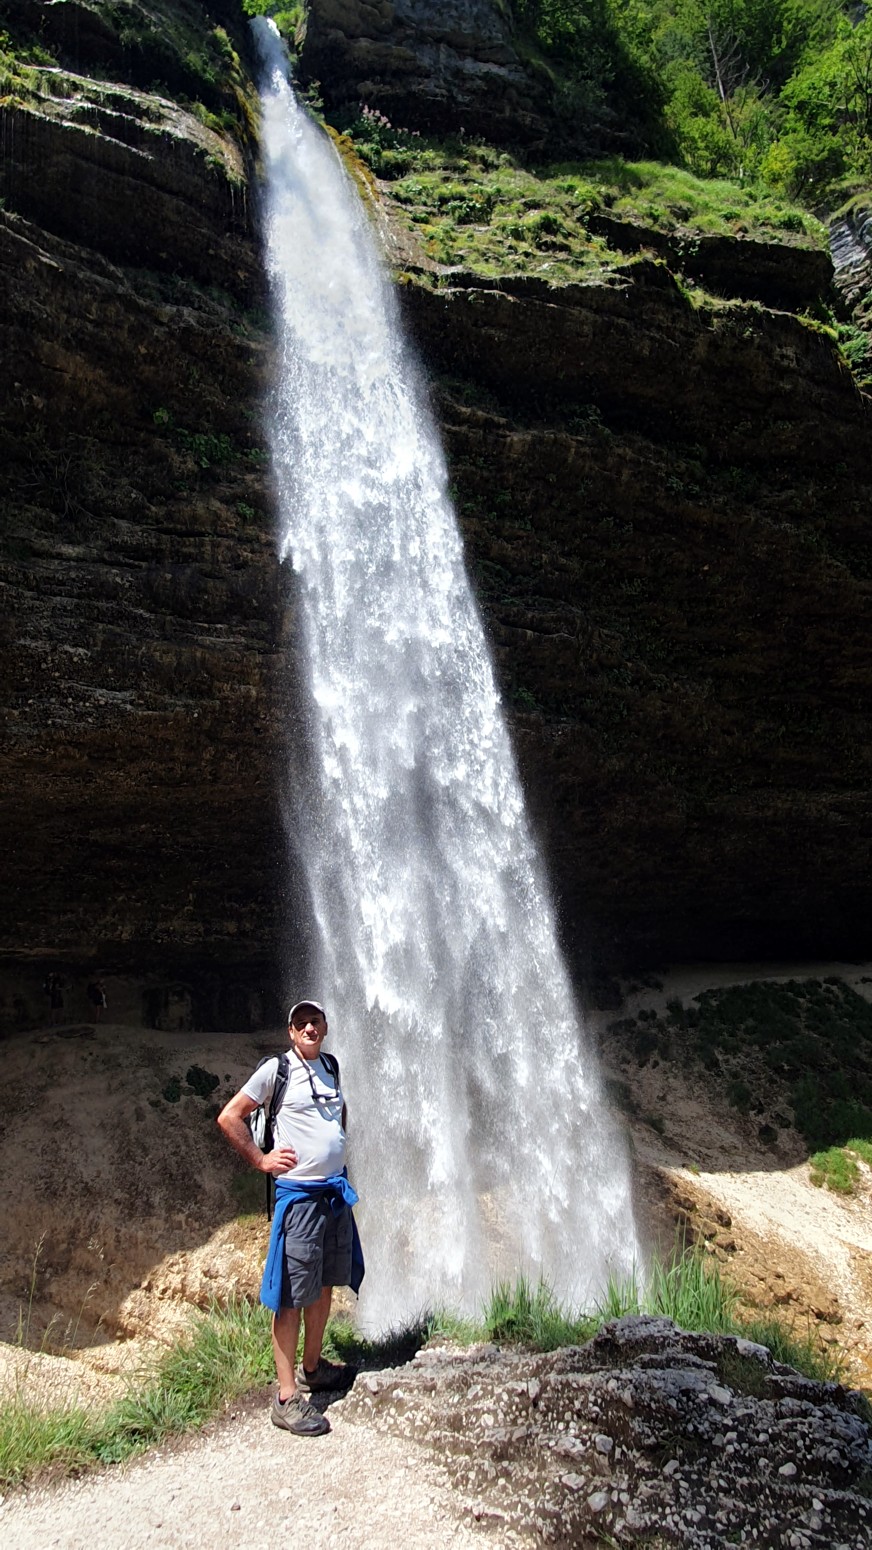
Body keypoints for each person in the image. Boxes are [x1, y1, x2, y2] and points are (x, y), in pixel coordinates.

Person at [216, 999, 363, 1438]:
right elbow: (230, 1116)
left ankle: (312, 1369)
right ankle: (285, 1397)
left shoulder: (331, 1067)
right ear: (291, 1032)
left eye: (315, 1021)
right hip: (298, 1199)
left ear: (325, 1027)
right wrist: (261, 1160)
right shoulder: (275, 1070)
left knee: (324, 1284)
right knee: (290, 1295)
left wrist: (334, 1149)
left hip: (333, 1195)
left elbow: (336, 1116)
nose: (309, 1028)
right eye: (301, 1023)